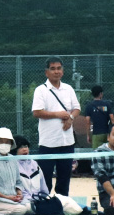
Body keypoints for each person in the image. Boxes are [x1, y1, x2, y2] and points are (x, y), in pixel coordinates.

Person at [32, 56, 81, 196]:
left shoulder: (69, 89)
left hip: (67, 141)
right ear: (46, 72)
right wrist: (58, 114)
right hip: (48, 142)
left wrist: (70, 118)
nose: (56, 71)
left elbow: (77, 108)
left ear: (63, 71)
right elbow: (37, 112)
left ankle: (62, 203)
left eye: (59, 68)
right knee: (45, 178)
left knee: (64, 178)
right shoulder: (41, 90)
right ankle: (45, 205)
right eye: (52, 69)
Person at [11, 136, 47, 206]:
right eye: (21, 147)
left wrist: (45, 198)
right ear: (14, 149)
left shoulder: (35, 164)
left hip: (39, 199)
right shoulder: (12, 165)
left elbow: (43, 187)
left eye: (26, 146)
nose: (25, 149)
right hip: (23, 202)